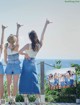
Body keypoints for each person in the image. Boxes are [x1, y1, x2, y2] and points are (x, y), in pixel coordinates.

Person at [19, 20, 51, 105]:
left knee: (24, 80)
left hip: (26, 63)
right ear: (36, 36)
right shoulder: (39, 45)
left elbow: (19, 52)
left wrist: (25, 54)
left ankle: (26, 100)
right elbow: (42, 35)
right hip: (33, 63)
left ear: (30, 38)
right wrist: (46, 24)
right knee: (34, 81)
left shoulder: (27, 45)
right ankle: (38, 100)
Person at [4, 23, 22, 104]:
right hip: (16, 66)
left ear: (8, 40)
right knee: (15, 84)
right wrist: (18, 28)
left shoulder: (6, 48)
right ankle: (14, 99)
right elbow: (17, 38)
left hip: (9, 65)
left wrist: (9, 63)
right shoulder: (17, 46)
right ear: (14, 40)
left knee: (8, 83)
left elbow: (5, 59)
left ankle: (9, 97)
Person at [0, 25, 7, 105]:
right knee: (1, 84)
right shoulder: (0, 49)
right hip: (0, 66)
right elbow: (2, 42)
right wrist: (3, 30)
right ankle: (1, 101)